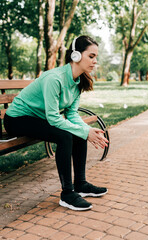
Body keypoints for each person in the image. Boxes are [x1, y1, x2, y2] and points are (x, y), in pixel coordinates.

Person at [4, 35, 109, 211]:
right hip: (17, 119)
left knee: (77, 131)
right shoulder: (55, 78)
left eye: (96, 57)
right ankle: (67, 194)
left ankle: (80, 184)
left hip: (38, 118)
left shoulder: (78, 82)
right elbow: (53, 118)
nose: (95, 61)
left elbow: (72, 115)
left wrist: (87, 129)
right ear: (76, 56)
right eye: (91, 56)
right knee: (66, 136)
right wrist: (84, 131)